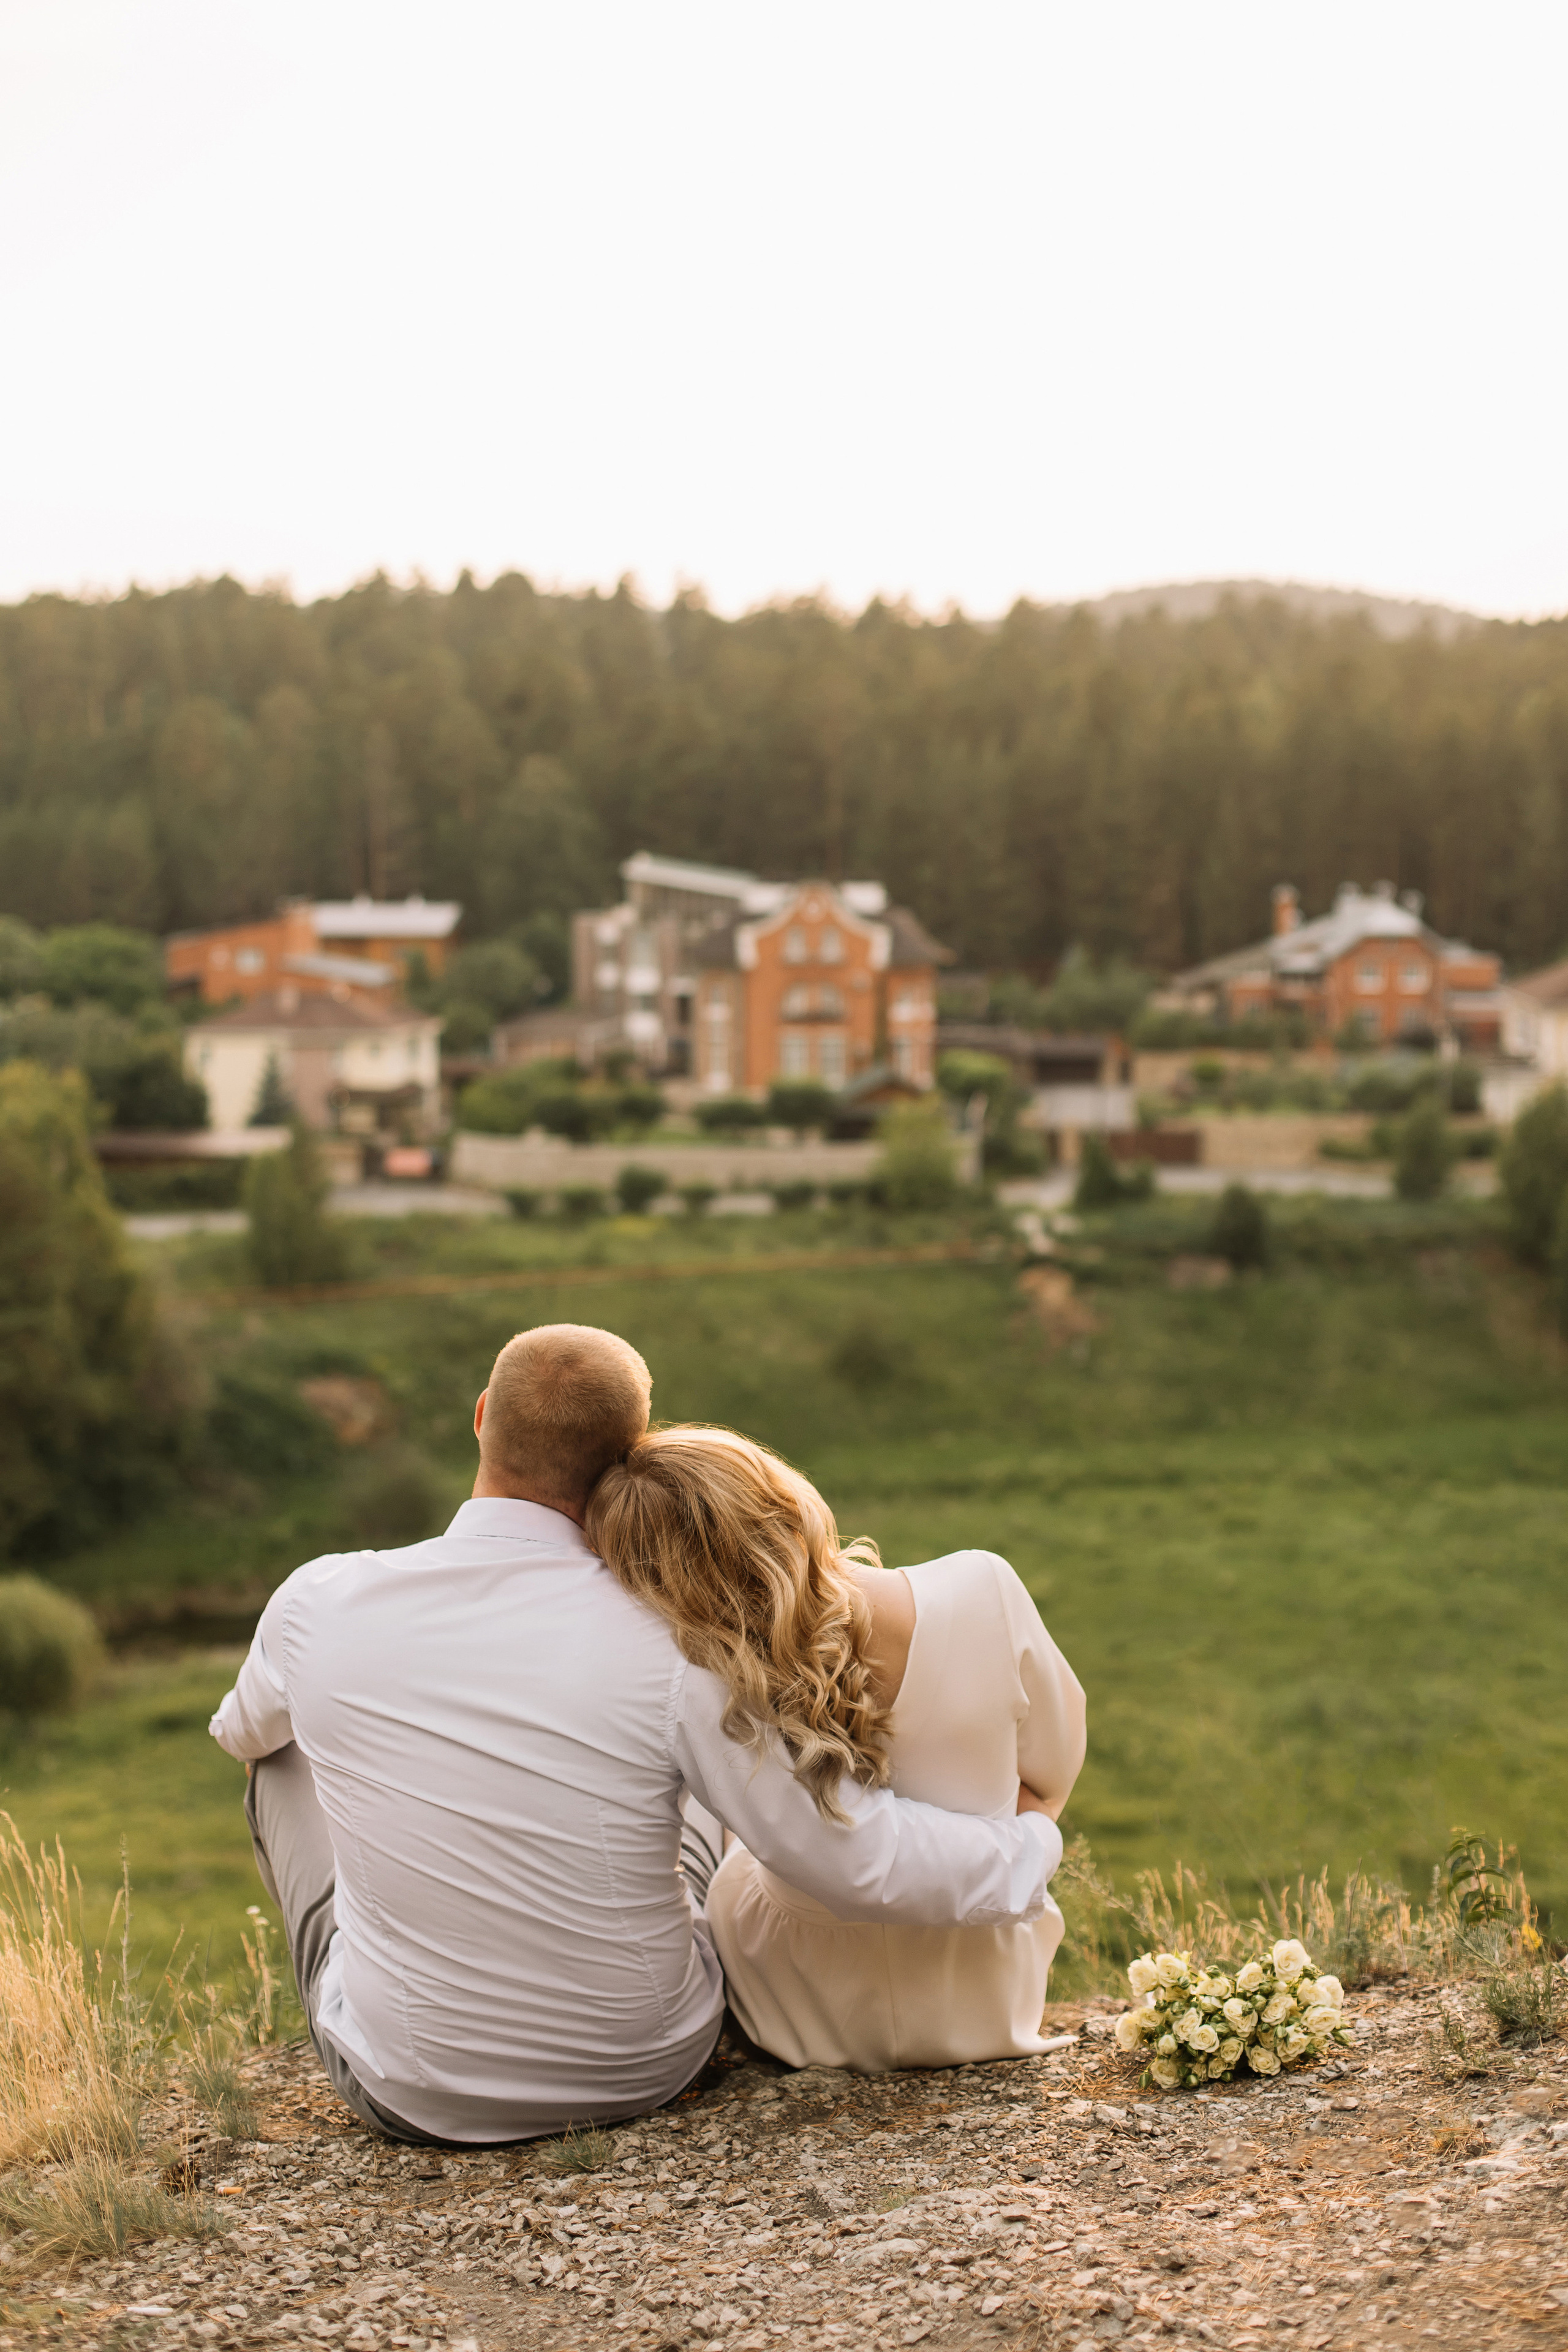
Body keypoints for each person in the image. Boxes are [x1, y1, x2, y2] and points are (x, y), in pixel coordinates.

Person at [211, 1323, 1066, 2145]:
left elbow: (241, 1731)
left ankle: (409, 1982)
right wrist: (1028, 1841)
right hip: (646, 2066)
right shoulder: (678, 1637)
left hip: (416, 2089)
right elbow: (850, 1855)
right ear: (633, 1448)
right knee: (692, 1770)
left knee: (277, 1756)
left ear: (482, 1416)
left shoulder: (316, 1600)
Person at [586, 1424, 1085, 2071]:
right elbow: (1051, 1773)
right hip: (984, 1986)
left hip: (804, 2006)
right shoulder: (983, 1588)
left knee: (707, 1819)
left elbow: (838, 1858)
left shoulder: (709, 1678)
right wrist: (1029, 1832)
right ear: (784, 1498)